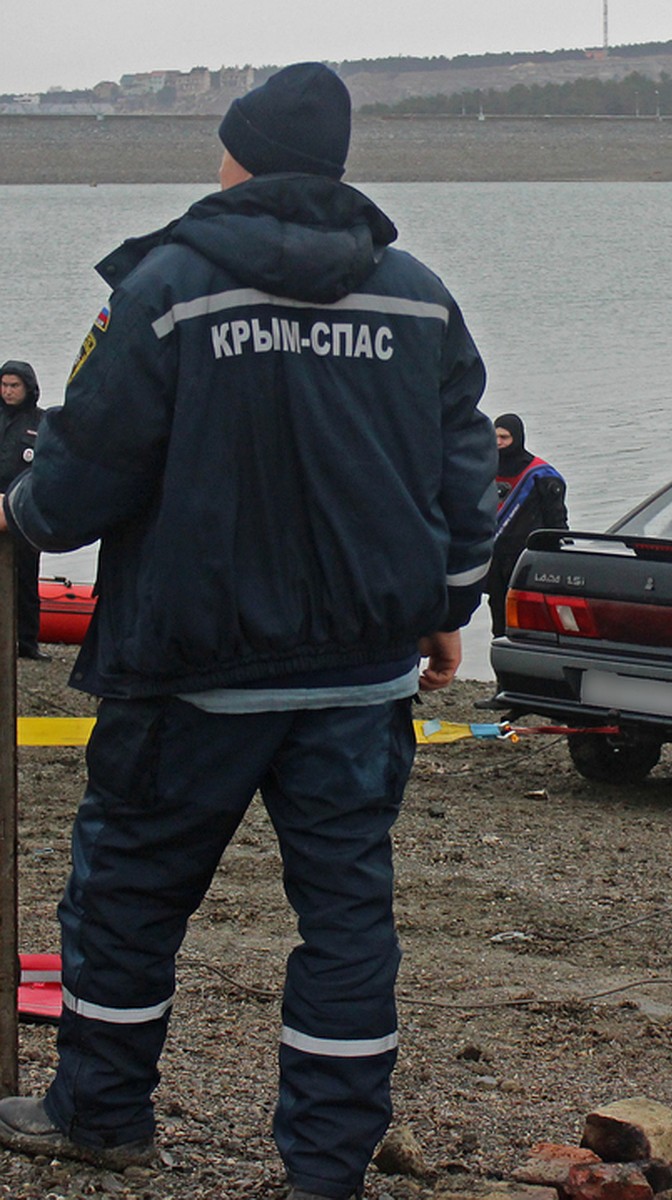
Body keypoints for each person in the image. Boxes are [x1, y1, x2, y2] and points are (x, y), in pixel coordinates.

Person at [0, 63, 495, 1200]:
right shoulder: (415, 296)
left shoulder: (168, 288)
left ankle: (101, 1114)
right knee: (347, 924)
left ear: (236, 157)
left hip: (191, 676)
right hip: (361, 682)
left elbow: (81, 475)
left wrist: (21, 514)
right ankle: (326, 1168)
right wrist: (446, 607)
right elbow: (468, 473)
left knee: (127, 898)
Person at [486, 412, 567, 635]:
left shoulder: (542, 475)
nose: (498, 443)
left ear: (518, 438)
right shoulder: (486, 469)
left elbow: (557, 522)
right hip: (495, 557)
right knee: (498, 615)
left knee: (530, 619)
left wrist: (556, 559)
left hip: (527, 558)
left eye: (504, 438)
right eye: (495, 437)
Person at [0, 360, 46, 659]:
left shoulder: (43, 421)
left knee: (27, 580)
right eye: (3, 385)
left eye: (14, 386)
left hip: (24, 511)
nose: (7, 391)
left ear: (28, 387)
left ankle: (28, 644)